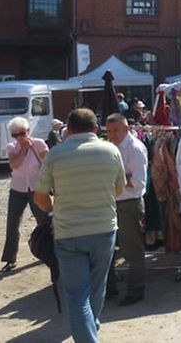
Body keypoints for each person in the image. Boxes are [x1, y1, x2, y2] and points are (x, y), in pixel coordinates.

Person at [35, 108, 125, 343]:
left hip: (68, 232)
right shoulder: (111, 151)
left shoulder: (55, 155)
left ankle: (87, 335)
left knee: (76, 294)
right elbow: (119, 189)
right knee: (97, 287)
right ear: (96, 129)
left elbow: (40, 198)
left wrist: (53, 209)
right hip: (104, 229)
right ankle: (89, 330)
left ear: (68, 130)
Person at [104, 113, 148, 307]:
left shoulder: (136, 149)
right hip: (112, 203)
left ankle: (136, 290)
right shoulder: (110, 147)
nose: (111, 134)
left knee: (132, 251)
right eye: (109, 131)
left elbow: (138, 183)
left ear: (126, 129)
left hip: (129, 205)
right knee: (107, 249)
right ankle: (110, 287)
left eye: (115, 131)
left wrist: (113, 179)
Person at [0, 116, 49, 272]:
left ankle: (49, 251)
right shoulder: (12, 147)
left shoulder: (40, 144)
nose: (19, 137)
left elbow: (48, 165)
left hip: (37, 188)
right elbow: (14, 165)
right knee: (12, 225)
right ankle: (10, 259)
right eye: (15, 135)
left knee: (45, 222)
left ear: (28, 131)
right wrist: (23, 150)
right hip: (17, 189)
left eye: (21, 133)